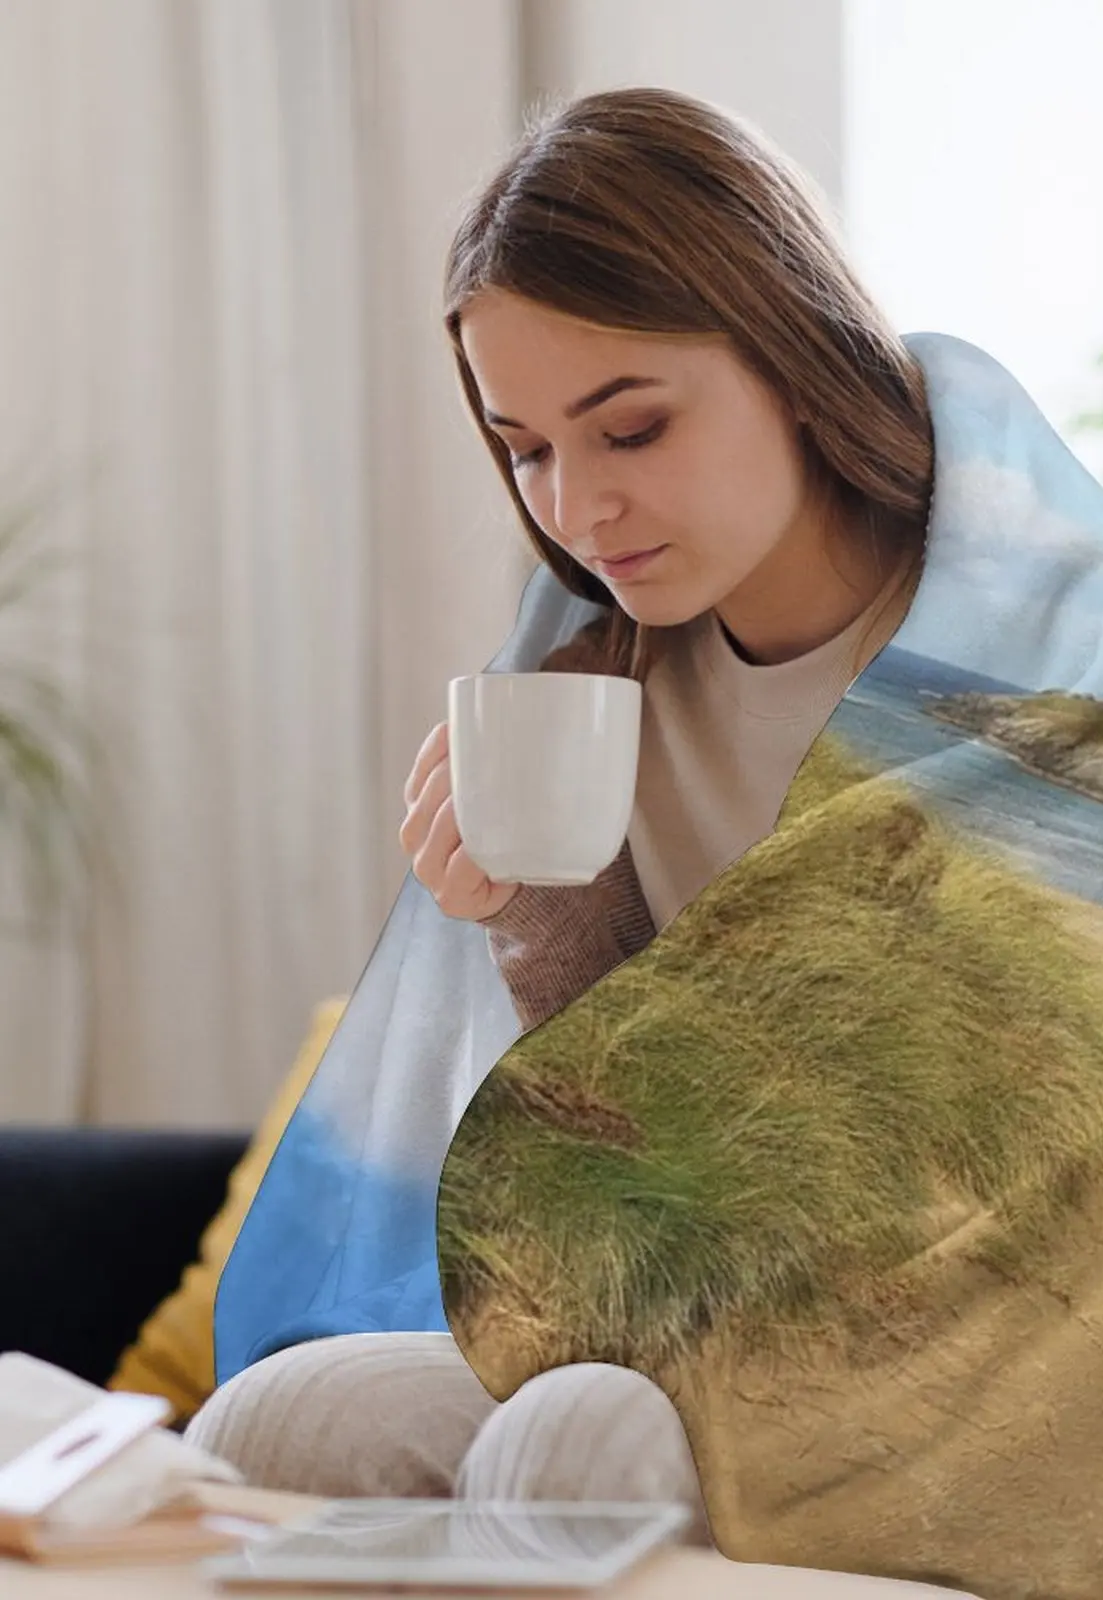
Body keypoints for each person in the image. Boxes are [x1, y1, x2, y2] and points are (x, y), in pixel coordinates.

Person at [184, 85, 932, 1528]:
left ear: (790, 352)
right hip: (679, 1300)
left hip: (973, 1318)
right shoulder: (592, 679)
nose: (577, 511)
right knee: (272, 1418)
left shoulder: (1008, 651)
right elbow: (626, 1156)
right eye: (526, 449)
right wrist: (526, 908)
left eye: (631, 429)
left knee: (576, 1446)